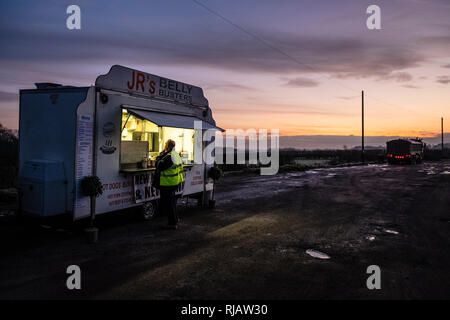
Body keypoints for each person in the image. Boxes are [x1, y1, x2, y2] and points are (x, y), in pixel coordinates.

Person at [155, 139, 184, 229]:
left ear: (167, 146)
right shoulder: (175, 155)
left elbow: (159, 165)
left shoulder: (169, 157)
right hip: (174, 182)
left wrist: (159, 157)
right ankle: (175, 219)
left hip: (168, 183)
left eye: (166, 145)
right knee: (172, 202)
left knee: (169, 204)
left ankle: (172, 223)